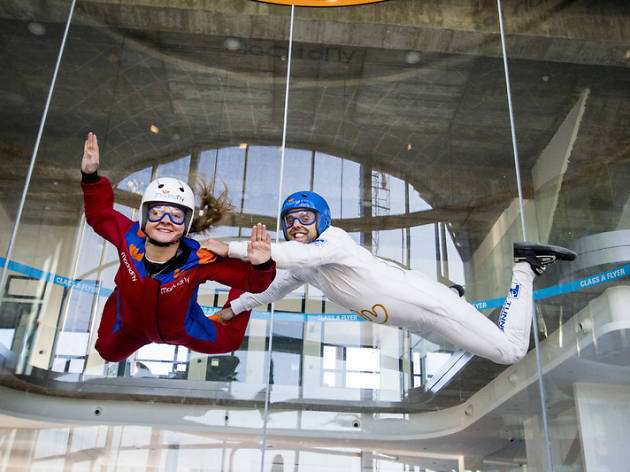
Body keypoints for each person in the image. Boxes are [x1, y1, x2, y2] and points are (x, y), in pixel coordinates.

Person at [202, 191, 576, 365]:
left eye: (305, 218)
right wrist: (233, 309)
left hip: (431, 307)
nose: (296, 226)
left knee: (510, 352)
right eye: (290, 220)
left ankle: (524, 268)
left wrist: (229, 249)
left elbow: (286, 256)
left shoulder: (333, 241)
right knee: (448, 332)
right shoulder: (303, 264)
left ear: (322, 221)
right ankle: (456, 294)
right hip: (418, 318)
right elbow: (272, 286)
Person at [80, 132, 276, 362]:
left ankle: (232, 307)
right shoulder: (129, 236)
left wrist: (261, 264)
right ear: (144, 217)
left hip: (182, 330)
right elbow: (99, 216)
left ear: (186, 225)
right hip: (131, 328)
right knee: (107, 352)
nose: (165, 221)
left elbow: (255, 284)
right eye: (157, 213)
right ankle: (121, 294)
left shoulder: (199, 260)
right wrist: (90, 176)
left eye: (176, 216)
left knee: (231, 341)